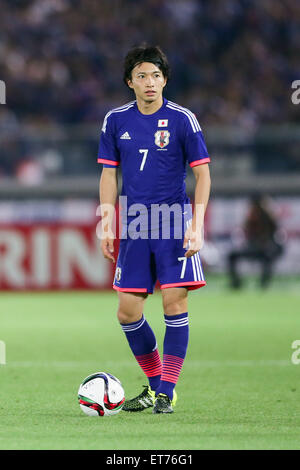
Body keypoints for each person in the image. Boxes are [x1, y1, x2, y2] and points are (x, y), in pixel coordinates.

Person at [98, 45, 211, 414]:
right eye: (143, 76)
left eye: (157, 76)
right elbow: (108, 173)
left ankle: (167, 391)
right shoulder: (115, 120)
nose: (151, 83)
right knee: (127, 312)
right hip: (133, 223)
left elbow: (202, 173)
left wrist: (197, 225)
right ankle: (153, 384)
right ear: (130, 81)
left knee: (173, 300)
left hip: (174, 221)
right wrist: (107, 221)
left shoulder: (183, 119)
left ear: (165, 80)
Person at [228, 194, 284, 289]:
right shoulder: (251, 215)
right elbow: (246, 229)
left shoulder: (268, 215)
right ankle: (236, 283)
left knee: (268, 257)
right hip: (253, 247)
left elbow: (274, 230)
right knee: (232, 255)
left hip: (266, 247)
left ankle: (264, 284)